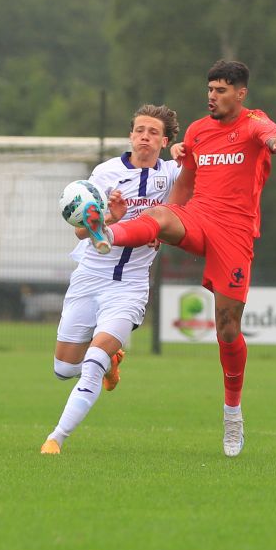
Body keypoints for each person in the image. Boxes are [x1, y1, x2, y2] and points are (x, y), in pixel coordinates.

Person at [83, 60, 276, 457]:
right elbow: (184, 185)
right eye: (210, 89)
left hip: (234, 233)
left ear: (240, 94)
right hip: (199, 217)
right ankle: (107, 234)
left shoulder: (255, 123)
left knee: (228, 329)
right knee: (157, 214)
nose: (212, 96)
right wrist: (163, 225)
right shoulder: (198, 131)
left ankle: (232, 414)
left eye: (221, 90)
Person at [41, 105, 181, 455]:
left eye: (153, 132)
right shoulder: (106, 173)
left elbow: (191, 203)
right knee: (63, 369)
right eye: (139, 130)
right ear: (131, 135)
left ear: (164, 141)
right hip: (90, 277)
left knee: (91, 363)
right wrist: (109, 218)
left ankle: (55, 438)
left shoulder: (173, 174)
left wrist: (164, 230)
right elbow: (81, 231)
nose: (145, 136)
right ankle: (111, 360)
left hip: (130, 287)